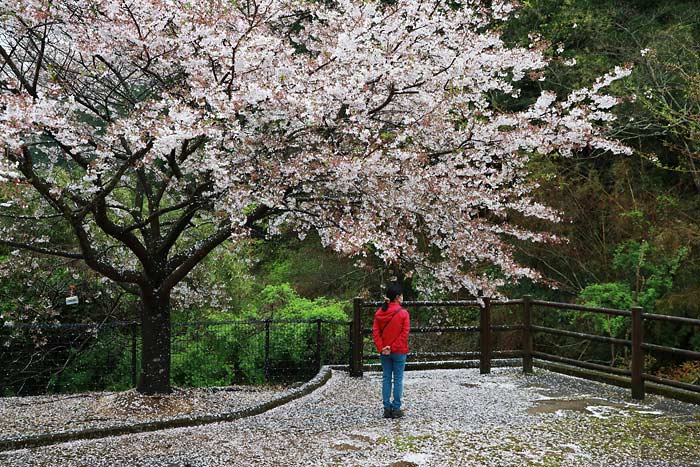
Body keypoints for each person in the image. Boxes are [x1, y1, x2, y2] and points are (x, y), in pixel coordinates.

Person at [372, 284, 410, 419]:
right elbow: (404, 334)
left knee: (386, 378)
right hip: (399, 351)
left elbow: (375, 333)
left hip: (384, 352)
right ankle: (396, 408)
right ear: (397, 297)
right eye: (401, 295)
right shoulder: (403, 313)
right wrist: (392, 347)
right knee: (398, 379)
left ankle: (386, 408)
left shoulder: (379, 313)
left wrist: (382, 347)